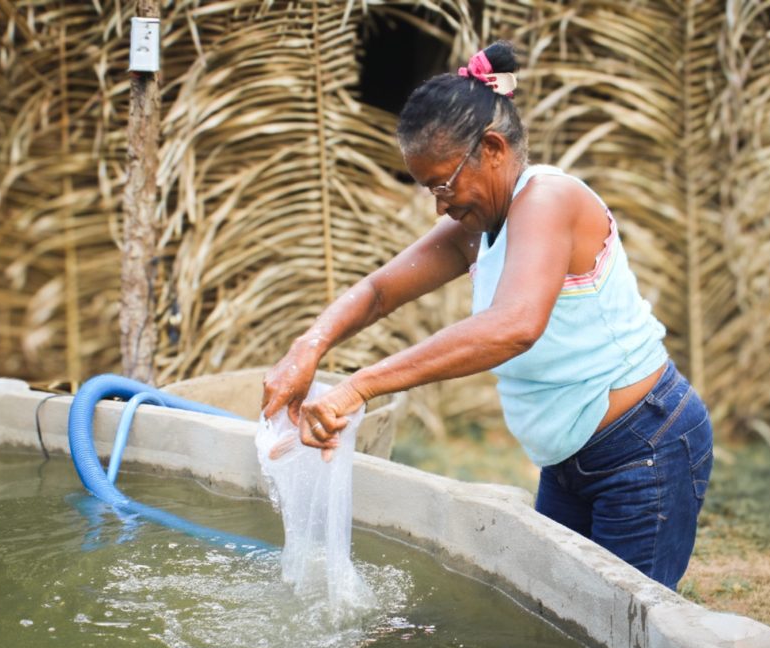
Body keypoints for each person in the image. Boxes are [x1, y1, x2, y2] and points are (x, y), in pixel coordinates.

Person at [261, 40, 713, 590]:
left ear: (493, 148)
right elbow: (380, 291)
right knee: (560, 627)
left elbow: (514, 326)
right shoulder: (477, 227)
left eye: (442, 184)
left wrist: (359, 386)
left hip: (642, 448)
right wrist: (308, 346)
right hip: (571, 463)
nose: (439, 205)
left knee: (624, 644)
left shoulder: (548, 199)